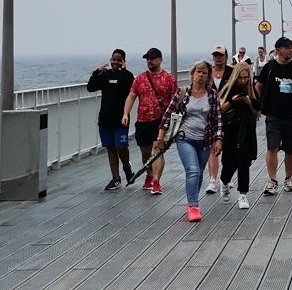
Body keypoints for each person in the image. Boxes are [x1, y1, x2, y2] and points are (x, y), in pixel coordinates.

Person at [171, 61, 223, 222]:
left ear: (208, 77)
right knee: (193, 170)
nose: (201, 75)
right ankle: (193, 206)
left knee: (199, 172)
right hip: (185, 137)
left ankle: (193, 200)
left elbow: (217, 119)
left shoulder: (212, 95)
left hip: (205, 140)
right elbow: (168, 114)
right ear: (192, 74)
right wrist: (160, 137)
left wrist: (218, 139)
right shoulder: (183, 93)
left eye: (204, 72)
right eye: (198, 72)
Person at [122, 48, 179, 195]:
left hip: (161, 120)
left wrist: (174, 119)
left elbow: (176, 100)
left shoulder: (169, 79)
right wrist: (125, 114)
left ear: (160, 60)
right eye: (148, 58)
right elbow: (131, 96)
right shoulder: (140, 79)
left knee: (157, 151)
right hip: (143, 120)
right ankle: (149, 174)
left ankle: (156, 181)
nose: (149, 61)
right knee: (145, 153)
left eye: (152, 58)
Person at [257, 37, 292, 194]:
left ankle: (288, 178)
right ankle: (272, 181)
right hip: (273, 115)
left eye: (291, 47)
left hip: (291, 115)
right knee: (272, 147)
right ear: (278, 50)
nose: (290, 50)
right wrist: (256, 105)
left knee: (290, 149)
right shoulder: (269, 67)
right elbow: (258, 86)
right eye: (287, 48)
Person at [87, 49, 135, 190]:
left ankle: (127, 167)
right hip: (105, 119)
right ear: (110, 60)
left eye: (119, 60)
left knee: (121, 146)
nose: (115, 62)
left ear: (124, 62)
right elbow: (90, 87)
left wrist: (123, 71)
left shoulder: (127, 76)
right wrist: (96, 72)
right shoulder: (104, 75)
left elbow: (132, 89)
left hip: (121, 119)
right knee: (111, 148)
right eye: (114, 59)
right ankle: (116, 178)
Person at [218, 60, 260, 208]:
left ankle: (243, 194)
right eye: (240, 78)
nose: (243, 81)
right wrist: (233, 101)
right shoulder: (228, 88)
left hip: (246, 131)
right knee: (229, 163)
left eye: (246, 78)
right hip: (230, 130)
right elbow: (220, 109)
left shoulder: (252, 90)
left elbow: (257, 112)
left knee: (244, 163)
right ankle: (224, 181)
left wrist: (249, 102)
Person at [204, 47, 233, 193]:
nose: (218, 58)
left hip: (229, 114)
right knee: (212, 147)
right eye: (216, 55)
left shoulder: (232, 72)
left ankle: (227, 177)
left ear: (226, 57)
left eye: (221, 55)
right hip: (211, 115)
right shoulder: (207, 72)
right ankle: (212, 180)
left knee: (228, 148)